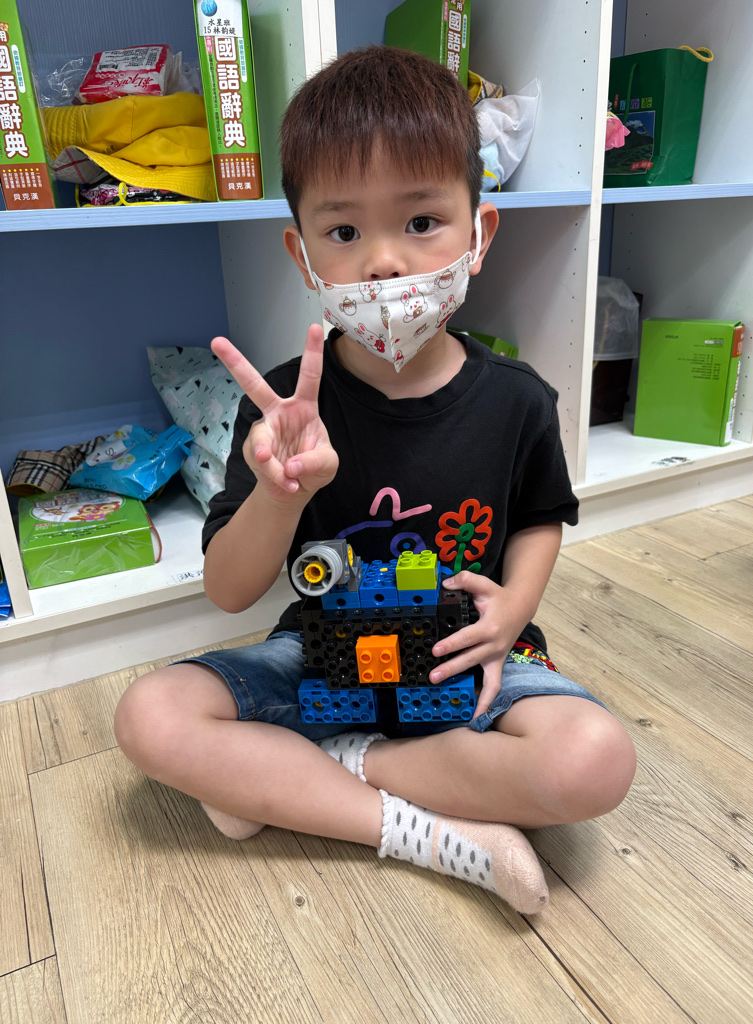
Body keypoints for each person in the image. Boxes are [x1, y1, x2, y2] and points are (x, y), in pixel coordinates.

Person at [115, 46, 636, 916]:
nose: (385, 263)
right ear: (302, 254)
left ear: (480, 232)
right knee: (150, 715)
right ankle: (429, 833)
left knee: (595, 759)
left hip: (465, 654)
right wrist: (280, 493)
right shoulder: (282, 411)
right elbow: (229, 591)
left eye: (423, 220)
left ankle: (318, 774)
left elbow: (541, 518)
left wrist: (512, 610)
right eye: (345, 232)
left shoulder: (519, 399)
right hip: (326, 653)